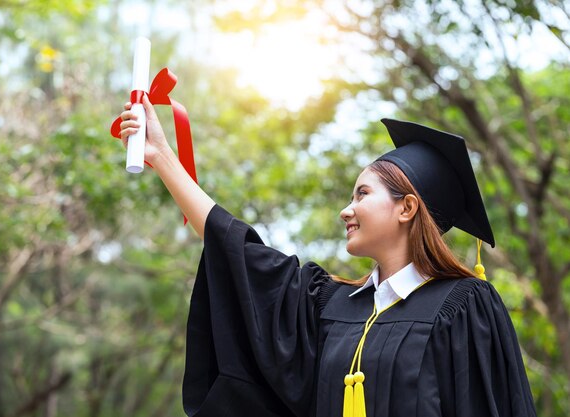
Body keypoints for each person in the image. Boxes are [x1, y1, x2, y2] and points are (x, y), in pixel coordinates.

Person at [117, 95, 537, 417]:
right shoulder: (330, 305)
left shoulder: (464, 307)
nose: (346, 209)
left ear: (407, 208)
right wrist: (162, 156)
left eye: (362, 194)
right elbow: (240, 252)